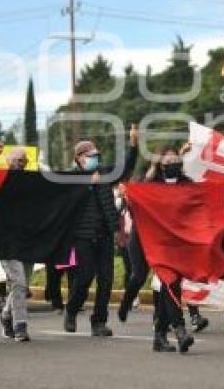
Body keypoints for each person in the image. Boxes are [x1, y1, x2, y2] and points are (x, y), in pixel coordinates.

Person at [63, 126, 138, 337]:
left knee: (106, 279)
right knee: (85, 276)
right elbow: (64, 200)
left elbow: (126, 169)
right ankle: (71, 309)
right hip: (81, 236)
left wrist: (133, 145)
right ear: (79, 158)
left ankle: (99, 321)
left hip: (104, 233)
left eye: (96, 155)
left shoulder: (104, 173)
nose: (95, 158)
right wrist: (87, 183)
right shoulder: (70, 177)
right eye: (90, 156)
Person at [145, 146, 198, 353]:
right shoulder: (153, 185)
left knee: (170, 286)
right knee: (170, 283)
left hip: (181, 244)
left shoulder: (188, 184)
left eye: (176, 161)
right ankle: (180, 329)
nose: (173, 165)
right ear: (161, 165)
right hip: (158, 244)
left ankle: (159, 336)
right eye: (168, 162)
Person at [0, 143, 33, 342]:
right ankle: (20, 326)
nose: (20, 164)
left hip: (27, 240)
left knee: (21, 285)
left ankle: (6, 316)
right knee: (19, 282)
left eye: (23, 161)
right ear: (8, 161)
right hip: (6, 240)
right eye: (16, 160)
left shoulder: (31, 183)